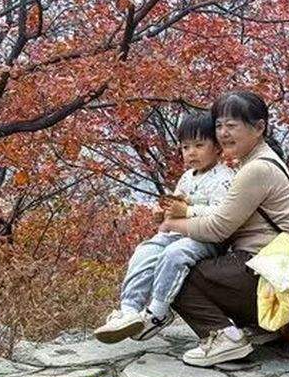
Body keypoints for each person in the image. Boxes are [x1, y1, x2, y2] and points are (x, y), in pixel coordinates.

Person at [159, 91, 289, 367]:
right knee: (192, 260)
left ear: (259, 127)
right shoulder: (258, 161)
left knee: (176, 269)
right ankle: (260, 327)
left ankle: (225, 338)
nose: (223, 134)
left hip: (262, 270)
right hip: (274, 269)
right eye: (219, 126)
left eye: (232, 126)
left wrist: (173, 223)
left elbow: (217, 228)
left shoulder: (256, 169)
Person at [94, 112, 233, 343]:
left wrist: (186, 212)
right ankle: (129, 309)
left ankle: (158, 311)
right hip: (176, 233)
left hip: (206, 239)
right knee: (145, 250)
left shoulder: (224, 178)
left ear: (218, 147)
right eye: (185, 147)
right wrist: (164, 212)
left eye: (199, 145)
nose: (191, 152)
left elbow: (222, 214)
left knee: (173, 255)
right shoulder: (188, 177)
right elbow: (178, 202)